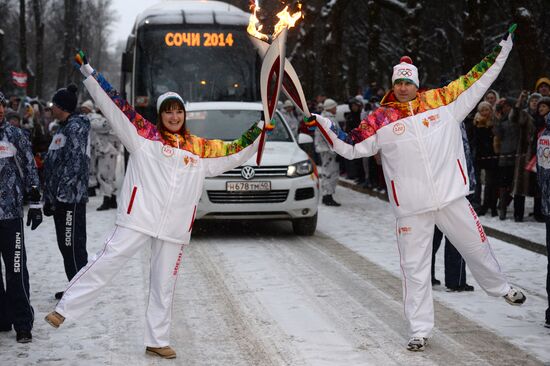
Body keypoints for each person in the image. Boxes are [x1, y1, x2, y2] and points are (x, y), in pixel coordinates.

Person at [307, 27, 525, 351]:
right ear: (393, 85)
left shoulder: (444, 102)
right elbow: (350, 146)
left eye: (408, 81)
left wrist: (503, 48)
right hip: (411, 207)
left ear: (416, 83)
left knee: (476, 247)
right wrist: (322, 123)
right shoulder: (380, 119)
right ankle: (419, 330)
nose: (404, 87)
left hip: (451, 197)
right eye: (398, 82)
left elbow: (479, 78)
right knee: (415, 270)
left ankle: (502, 288)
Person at [45, 51, 265, 359]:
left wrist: (258, 132)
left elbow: (234, 150)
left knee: (164, 285)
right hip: (139, 216)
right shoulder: (143, 136)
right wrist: (90, 73)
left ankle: (157, 339)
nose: (174, 117)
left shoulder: (199, 149)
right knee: (107, 260)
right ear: (160, 115)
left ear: (184, 115)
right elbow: (115, 105)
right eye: (168, 112)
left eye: (178, 112)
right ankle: (65, 308)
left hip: (174, 226)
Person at [0, 91, 43, 343]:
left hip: (11, 216)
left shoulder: (16, 135)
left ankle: (23, 324)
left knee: (16, 270)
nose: (1, 111)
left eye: (2, 106)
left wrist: (36, 203)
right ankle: (3, 318)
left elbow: (30, 169)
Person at [43, 84, 91, 300]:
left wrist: (62, 195)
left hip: (70, 199)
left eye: (54, 104)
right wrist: (49, 197)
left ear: (62, 106)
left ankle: (81, 289)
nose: (51, 108)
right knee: (66, 244)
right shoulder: (61, 129)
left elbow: (74, 164)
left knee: (73, 245)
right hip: (60, 200)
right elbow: (55, 163)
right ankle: (75, 284)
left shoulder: (76, 128)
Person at [315, 98, 341, 206]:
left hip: (325, 150)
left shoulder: (323, 117)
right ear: (331, 108)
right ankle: (328, 196)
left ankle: (327, 195)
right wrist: (337, 150)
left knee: (327, 173)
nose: (336, 109)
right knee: (331, 173)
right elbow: (331, 137)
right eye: (335, 107)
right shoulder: (329, 120)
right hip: (329, 151)